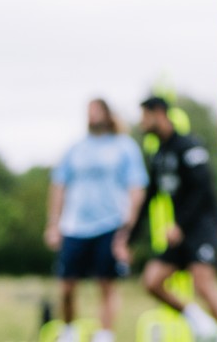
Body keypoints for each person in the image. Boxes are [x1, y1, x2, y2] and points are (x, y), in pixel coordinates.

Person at [44, 99, 146, 342]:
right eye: (88, 112)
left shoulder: (124, 146)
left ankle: (104, 335)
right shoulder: (76, 148)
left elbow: (136, 188)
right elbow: (58, 185)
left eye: (96, 111)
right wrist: (53, 224)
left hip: (110, 224)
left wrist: (127, 230)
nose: (91, 116)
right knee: (66, 286)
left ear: (108, 114)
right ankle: (69, 332)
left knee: (106, 284)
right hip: (74, 226)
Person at [137, 98, 217, 342]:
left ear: (159, 113)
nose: (141, 123)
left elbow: (202, 189)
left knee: (202, 283)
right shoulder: (160, 155)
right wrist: (128, 238)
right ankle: (199, 320)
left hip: (202, 227)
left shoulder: (189, 146)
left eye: (144, 116)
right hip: (180, 232)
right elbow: (150, 196)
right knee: (151, 281)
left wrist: (180, 224)